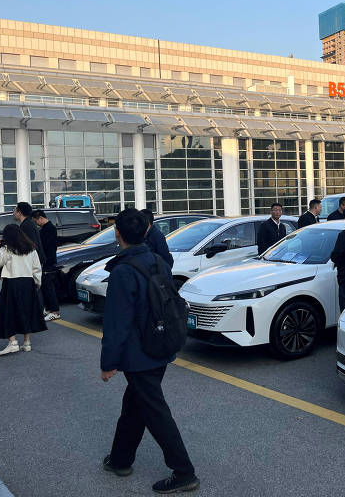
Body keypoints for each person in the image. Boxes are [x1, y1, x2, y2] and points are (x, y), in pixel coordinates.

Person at [100, 208, 199, 494]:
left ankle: (184, 472)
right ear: (146, 232)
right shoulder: (158, 260)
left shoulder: (122, 271)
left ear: (117, 233)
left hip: (138, 354)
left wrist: (108, 363)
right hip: (161, 347)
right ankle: (120, 459)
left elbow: (117, 323)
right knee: (135, 405)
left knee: (154, 411)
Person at [0, 224, 46, 356]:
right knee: (26, 311)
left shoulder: (7, 249)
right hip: (28, 283)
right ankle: (26, 343)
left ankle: (13, 343)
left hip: (12, 282)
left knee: (8, 311)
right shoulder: (31, 248)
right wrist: (37, 284)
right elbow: (37, 268)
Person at [32, 210, 60, 321]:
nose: (36, 224)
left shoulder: (49, 229)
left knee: (48, 287)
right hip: (47, 261)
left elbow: (47, 247)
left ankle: (55, 311)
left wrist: (45, 261)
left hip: (48, 262)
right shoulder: (46, 228)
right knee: (44, 286)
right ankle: (49, 309)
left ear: (40, 218)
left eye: (36, 221)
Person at [13, 202, 45, 267]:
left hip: (33, 262)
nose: (13, 213)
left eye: (15, 210)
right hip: (35, 260)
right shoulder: (28, 223)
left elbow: (30, 245)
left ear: (20, 212)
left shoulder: (26, 226)